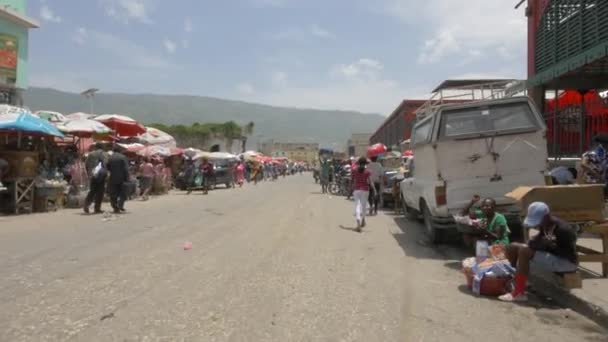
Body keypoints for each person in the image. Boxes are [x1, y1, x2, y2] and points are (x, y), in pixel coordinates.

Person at [499, 202, 578, 302]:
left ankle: (519, 292)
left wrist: (550, 245)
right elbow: (541, 237)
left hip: (566, 262)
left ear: (546, 216)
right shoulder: (545, 224)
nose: (537, 224)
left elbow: (569, 254)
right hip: (551, 254)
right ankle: (518, 281)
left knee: (524, 251)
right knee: (512, 246)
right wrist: (535, 241)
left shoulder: (563, 229)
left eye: (538, 221)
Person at [84, 143, 108, 214]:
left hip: (93, 174)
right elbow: (105, 164)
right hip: (101, 175)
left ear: (96, 147)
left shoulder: (91, 154)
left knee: (92, 191)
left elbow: (86, 164)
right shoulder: (104, 154)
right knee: (100, 192)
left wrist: (89, 173)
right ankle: (97, 208)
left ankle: (86, 205)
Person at [352, 157, 374, 232]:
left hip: (357, 190)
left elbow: (353, 181)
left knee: (357, 206)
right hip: (365, 190)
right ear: (365, 164)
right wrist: (375, 190)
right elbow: (371, 182)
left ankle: (358, 222)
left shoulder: (354, 171)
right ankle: (363, 220)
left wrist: (350, 189)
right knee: (364, 206)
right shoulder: (367, 172)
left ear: (358, 164)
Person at [107, 145, 130, 213]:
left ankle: (114, 206)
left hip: (113, 178)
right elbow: (126, 168)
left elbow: (108, 167)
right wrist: (127, 177)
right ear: (119, 151)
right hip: (122, 178)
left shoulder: (110, 157)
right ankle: (120, 205)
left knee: (113, 193)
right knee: (123, 193)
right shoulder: (123, 157)